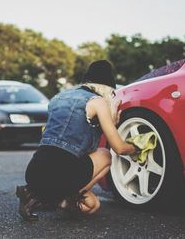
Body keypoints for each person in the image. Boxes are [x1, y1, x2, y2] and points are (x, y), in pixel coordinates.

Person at [16, 60, 137, 220]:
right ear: (107, 88)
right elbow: (119, 148)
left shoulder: (58, 98)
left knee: (92, 204)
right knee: (106, 155)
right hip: (63, 172)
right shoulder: (97, 101)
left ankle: (35, 196)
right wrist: (136, 148)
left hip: (34, 171)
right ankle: (64, 197)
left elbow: (67, 135)